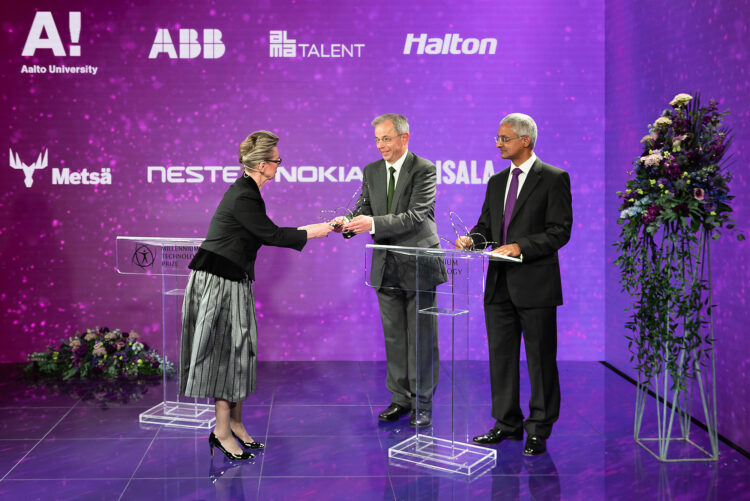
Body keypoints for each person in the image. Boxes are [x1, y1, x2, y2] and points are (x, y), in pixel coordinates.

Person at [180, 130, 332, 460]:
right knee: (226, 355)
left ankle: (235, 423)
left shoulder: (249, 191)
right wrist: (322, 229)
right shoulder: (244, 196)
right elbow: (272, 234)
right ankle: (220, 432)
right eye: (277, 160)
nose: (280, 165)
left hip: (233, 279)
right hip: (218, 281)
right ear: (263, 165)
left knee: (241, 351)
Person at [456, 113, 572, 455]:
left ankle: (539, 427)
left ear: (526, 140)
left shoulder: (553, 178)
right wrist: (471, 240)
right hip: (498, 284)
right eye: (498, 137)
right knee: (501, 358)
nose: (498, 143)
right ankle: (506, 423)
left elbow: (559, 231)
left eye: (504, 138)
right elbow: (486, 228)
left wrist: (522, 247)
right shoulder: (495, 182)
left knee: (539, 359)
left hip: (535, 283)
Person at [342, 113, 446, 427]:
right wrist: (347, 223)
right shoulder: (372, 171)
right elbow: (364, 209)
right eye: (377, 139)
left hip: (418, 263)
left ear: (404, 138)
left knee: (421, 338)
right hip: (386, 263)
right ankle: (400, 399)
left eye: (386, 138)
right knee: (395, 338)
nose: (380, 146)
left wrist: (371, 223)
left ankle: (422, 404)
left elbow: (415, 216)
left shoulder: (423, 169)